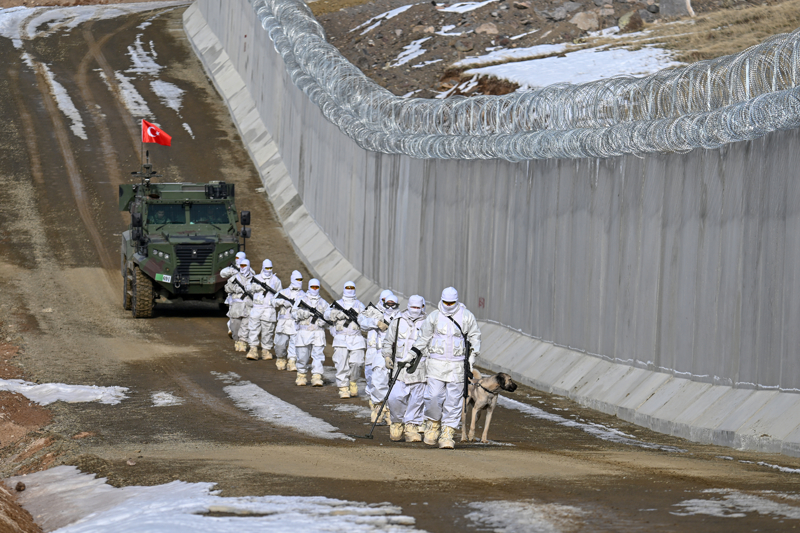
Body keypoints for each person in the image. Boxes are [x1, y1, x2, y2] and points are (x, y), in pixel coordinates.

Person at [411, 287, 480, 449]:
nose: (448, 305)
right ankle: (433, 424)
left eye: (451, 303)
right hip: (436, 364)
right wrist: (412, 354)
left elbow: (475, 336)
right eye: (446, 302)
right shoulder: (434, 316)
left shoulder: (467, 316)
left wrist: (472, 357)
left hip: (457, 365)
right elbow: (423, 337)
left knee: (454, 400)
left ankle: (448, 432)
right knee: (433, 396)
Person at [383, 295, 428, 442]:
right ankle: (396, 423)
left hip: (420, 368)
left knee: (417, 400)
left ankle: (411, 427)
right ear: (407, 306)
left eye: (418, 307)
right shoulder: (397, 321)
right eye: (412, 307)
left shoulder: (428, 323)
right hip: (399, 368)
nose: (415, 310)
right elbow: (388, 341)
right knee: (395, 397)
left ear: (422, 307)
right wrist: (387, 356)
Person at [360, 292, 398, 424]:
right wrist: (376, 322)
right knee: (376, 381)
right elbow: (362, 322)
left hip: (395, 353)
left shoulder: (400, 317)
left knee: (393, 382)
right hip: (378, 352)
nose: (390, 307)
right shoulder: (376, 314)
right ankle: (379, 408)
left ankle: (390, 411)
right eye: (388, 304)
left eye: (393, 304)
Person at [324, 281, 366, 399]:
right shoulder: (337, 304)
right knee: (341, 364)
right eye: (347, 287)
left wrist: (359, 317)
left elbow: (366, 319)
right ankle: (343, 388)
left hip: (356, 338)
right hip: (341, 338)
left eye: (352, 287)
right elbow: (326, 315)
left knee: (357, 363)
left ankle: (353, 381)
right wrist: (336, 313)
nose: (350, 290)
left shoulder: (359, 305)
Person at [291, 278, 329, 387]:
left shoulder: (323, 303)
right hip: (304, 331)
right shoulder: (301, 300)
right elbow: (293, 313)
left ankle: (317, 376)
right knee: (302, 355)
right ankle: (301, 375)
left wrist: (324, 321)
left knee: (318, 355)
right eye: (313, 287)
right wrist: (302, 313)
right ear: (309, 287)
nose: (315, 289)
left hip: (318, 332)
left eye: (317, 287)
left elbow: (329, 317)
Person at [246, 259, 282, 360]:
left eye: (270, 268)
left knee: (268, 331)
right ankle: (253, 349)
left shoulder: (276, 280)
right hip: (257, 308)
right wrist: (255, 287)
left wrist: (276, 302)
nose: (268, 270)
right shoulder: (256, 278)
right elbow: (247, 287)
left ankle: (266, 350)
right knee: (253, 329)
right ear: (263, 268)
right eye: (267, 268)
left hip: (269, 309)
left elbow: (280, 294)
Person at [364, 290, 392, 419]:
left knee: (386, 380)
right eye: (384, 300)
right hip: (372, 350)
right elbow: (361, 321)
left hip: (385, 351)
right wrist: (376, 322)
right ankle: (375, 402)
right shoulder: (371, 311)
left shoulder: (396, 315)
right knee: (371, 379)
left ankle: (384, 408)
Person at [272, 270, 304, 371]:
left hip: (296, 323)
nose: (299, 281)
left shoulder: (304, 295)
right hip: (283, 322)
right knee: (280, 344)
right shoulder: (283, 292)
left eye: (301, 279)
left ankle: (292, 361)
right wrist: (282, 301)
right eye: (297, 279)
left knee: (295, 343)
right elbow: (272, 301)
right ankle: (281, 358)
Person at [224, 258, 255, 352]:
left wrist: (251, 289)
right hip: (236, 307)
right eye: (241, 265)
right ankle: (237, 340)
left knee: (246, 325)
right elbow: (227, 288)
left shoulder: (254, 278)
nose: (243, 267)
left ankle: (243, 342)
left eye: (245, 265)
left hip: (248, 305)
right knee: (235, 326)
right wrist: (235, 288)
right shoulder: (234, 278)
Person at [221, 252, 246, 339]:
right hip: (233, 296)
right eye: (236, 258)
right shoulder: (232, 268)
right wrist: (231, 271)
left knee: (243, 315)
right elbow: (222, 273)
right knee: (232, 314)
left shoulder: (248, 269)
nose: (237, 259)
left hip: (244, 296)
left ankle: (240, 332)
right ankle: (231, 329)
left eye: (239, 258)